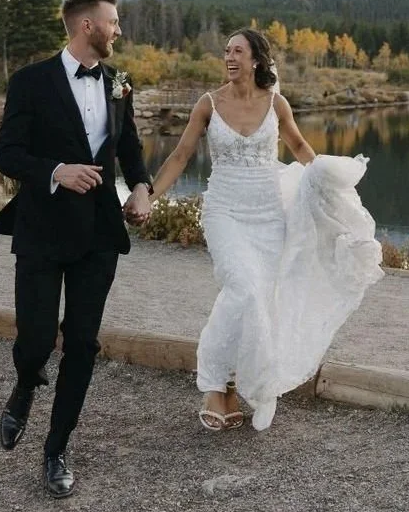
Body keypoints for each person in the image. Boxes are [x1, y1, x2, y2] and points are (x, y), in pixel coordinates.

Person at [149, 28, 383, 432]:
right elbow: (180, 155)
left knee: (261, 301)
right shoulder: (208, 104)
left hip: (268, 216)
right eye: (226, 51)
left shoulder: (277, 104)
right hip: (224, 211)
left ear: (257, 59)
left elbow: (300, 149)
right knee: (244, 287)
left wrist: (331, 192)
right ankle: (213, 383)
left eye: (238, 50)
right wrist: (147, 197)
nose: (230, 57)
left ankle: (239, 385)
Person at [0, 0, 152, 498]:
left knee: (82, 342)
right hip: (42, 229)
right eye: (114, 22)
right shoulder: (31, 82)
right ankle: (24, 385)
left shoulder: (119, 84)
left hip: (99, 232)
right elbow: (7, 155)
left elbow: (129, 147)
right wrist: (57, 171)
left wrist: (141, 187)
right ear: (86, 27)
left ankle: (56, 448)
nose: (118, 30)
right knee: (35, 339)